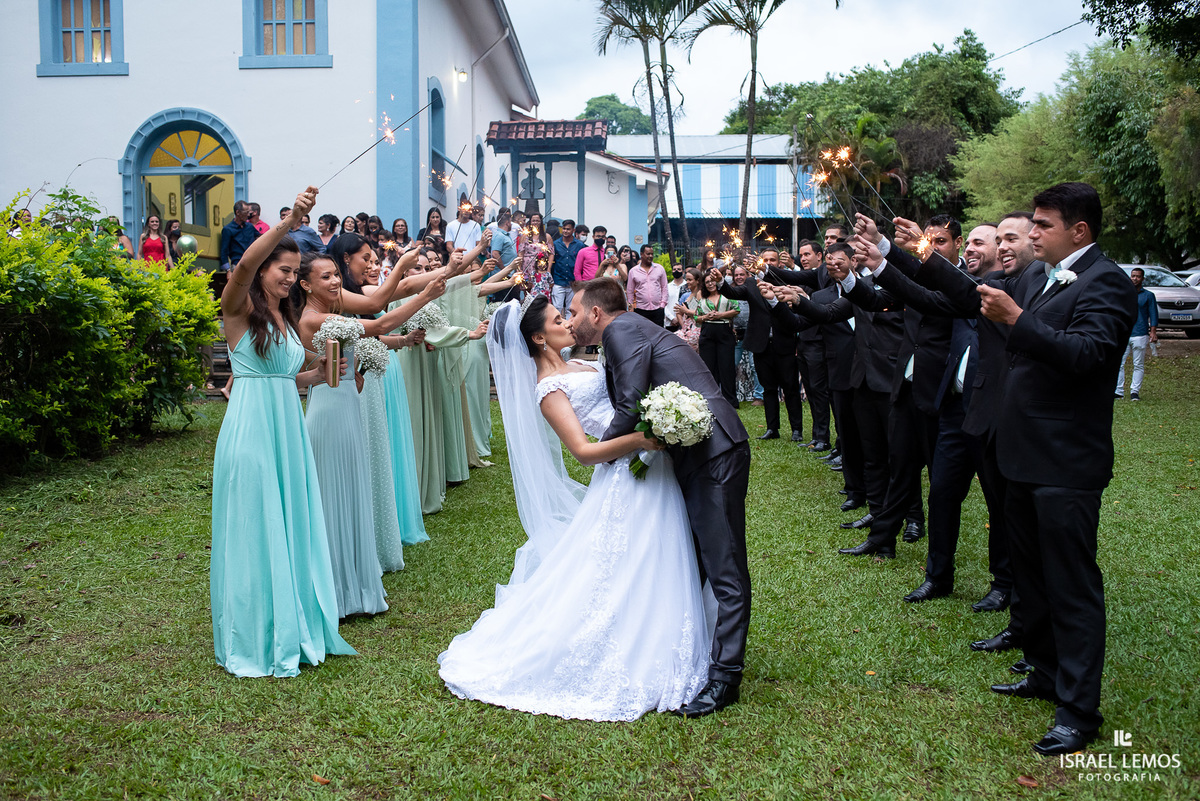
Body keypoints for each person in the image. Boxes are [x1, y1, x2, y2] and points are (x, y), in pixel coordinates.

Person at [438, 296, 710, 720]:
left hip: (651, 466)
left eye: (565, 315)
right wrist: (643, 439)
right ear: (538, 337)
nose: (567, 322)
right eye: (557, 319)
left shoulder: (587, 364)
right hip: (623, 473)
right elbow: (583, 451)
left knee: (656, 556)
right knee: (626, 563)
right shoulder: (549, 389)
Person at [970, 182, 1136, 755]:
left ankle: (1078, 711)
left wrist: (1018, 320)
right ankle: (1043, 671)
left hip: (1065, 462)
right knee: (1033, 578)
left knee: (1071, 586)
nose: (1032, 232)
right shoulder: (1045, 279)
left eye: (1041, 224)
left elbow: (1088, 355)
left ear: (1079, 231)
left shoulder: (1108, 282)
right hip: (1021, 456)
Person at [569, 278, 752, 717]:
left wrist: (605, 458)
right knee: (692, 558)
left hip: (715, 449)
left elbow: (630, 402)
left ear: (596, 313)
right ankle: (688, 651)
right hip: (694, 453)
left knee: (723, 564)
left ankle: (726, 677)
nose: (572, 320)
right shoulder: (629, 330)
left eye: (575, 312)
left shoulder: (621, 329)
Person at [209, 185, 355, 677]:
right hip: (251, 428)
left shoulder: (286, 317)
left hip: (288, 427)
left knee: (290, 518)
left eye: (296, 273)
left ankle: (295, 616)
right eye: (284, 270)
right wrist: (290, 220)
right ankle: (257, 630)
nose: (291, 279)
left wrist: (321, 375)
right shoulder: (238, 308)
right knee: (257, 523)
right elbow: (244, 267)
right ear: (263, 270)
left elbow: (290, 377)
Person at [295, 245, 447, 617]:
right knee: (335, 495)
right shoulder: (313, 319)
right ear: (304, 285)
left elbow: (365, 338)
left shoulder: (330, 312)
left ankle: (355, 586)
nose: (334, 282)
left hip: (347, 405)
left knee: (352, 491)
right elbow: (378, 325)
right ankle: (337, 589)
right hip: (329, 414)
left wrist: (357, 368)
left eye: (335, 275)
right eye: (325, 277)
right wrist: (425, 295)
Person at [716, 246, 804, 440]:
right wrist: (720, 281)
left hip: (785, 342)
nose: (769, 263)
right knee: (768, 388)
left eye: (773, 260)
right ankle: (772, 428)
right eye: (766, 260)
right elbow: (732, 292)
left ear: (779, 264)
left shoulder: (785, 282)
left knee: (790, 388)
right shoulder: (750, 282)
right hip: (761, 344)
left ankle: (797, 429)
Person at [794, 239, 832, 450]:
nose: (803, 258)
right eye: (801, 254)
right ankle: (817, 435)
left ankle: (824, 438)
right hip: (803, 340)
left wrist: (805, 298)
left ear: (820, 256)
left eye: (807, 254)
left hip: (819, 341)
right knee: (810, 390)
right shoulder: (807, 277)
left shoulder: (826, 277)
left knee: (819, 390)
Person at [693, 269, 739, 408]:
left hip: (724, 331)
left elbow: (736, 310)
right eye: (707, 282)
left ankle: (730, 401)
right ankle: (710, 399)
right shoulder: (702, 300)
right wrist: (705, 317)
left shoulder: (727, 294)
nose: (710, 284)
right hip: (707, 333)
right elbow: (696, 317)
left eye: (712, 281)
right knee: (708, 367)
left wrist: (720, 315)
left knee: (727, 367)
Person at [1115, 267, 1157, 400]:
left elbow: (1153, 314)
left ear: (1142, 279)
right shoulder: (1125, 294)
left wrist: (1153, 332)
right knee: (1119, 363)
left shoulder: (1148, 295)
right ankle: (1119, 391)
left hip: (1140, 333)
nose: (1135, 278)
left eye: (1138, 276)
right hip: (1124, 333)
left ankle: (1134, 391)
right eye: (1133, 276)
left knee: (1138, 364)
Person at [626, 244, 670, 326]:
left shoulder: (660, 268)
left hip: (657, 309)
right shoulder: (633, 271)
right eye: (648, 254)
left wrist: (663, 304)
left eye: (652, 254)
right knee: (643, 334)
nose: (650, 256)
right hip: (640, 309)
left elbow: (664, 287)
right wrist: (631, 305)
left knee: (657, 334)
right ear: (641, 254)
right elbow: (630, 290)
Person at [551, 219, 582, 319]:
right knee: (556, 309)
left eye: (568, 229)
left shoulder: (579, 245)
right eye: (564, 229)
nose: (565, 231)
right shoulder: (555, 244)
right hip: (558, 280)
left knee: (571, 309)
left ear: (573, 230)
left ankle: (569, 331)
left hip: (572, 282)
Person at [219, 200, 259, 271]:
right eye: (246, 212)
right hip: (238, 265)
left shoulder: (250, 227)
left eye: (248, 212)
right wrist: (228, 270)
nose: (248, 215)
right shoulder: (228, 229)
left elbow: (260, 238)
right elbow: (224, 251)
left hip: (253, 263)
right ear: (237, 212)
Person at [664, 265, 686, 330]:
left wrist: (680, 319)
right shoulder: (667, 287)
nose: (676, 271)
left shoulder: (687, 287)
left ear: (683, 272)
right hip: (669, 322)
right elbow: (663, 304)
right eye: (674, 269)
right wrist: (672, 318)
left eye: (679, 269)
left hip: (684, 322)